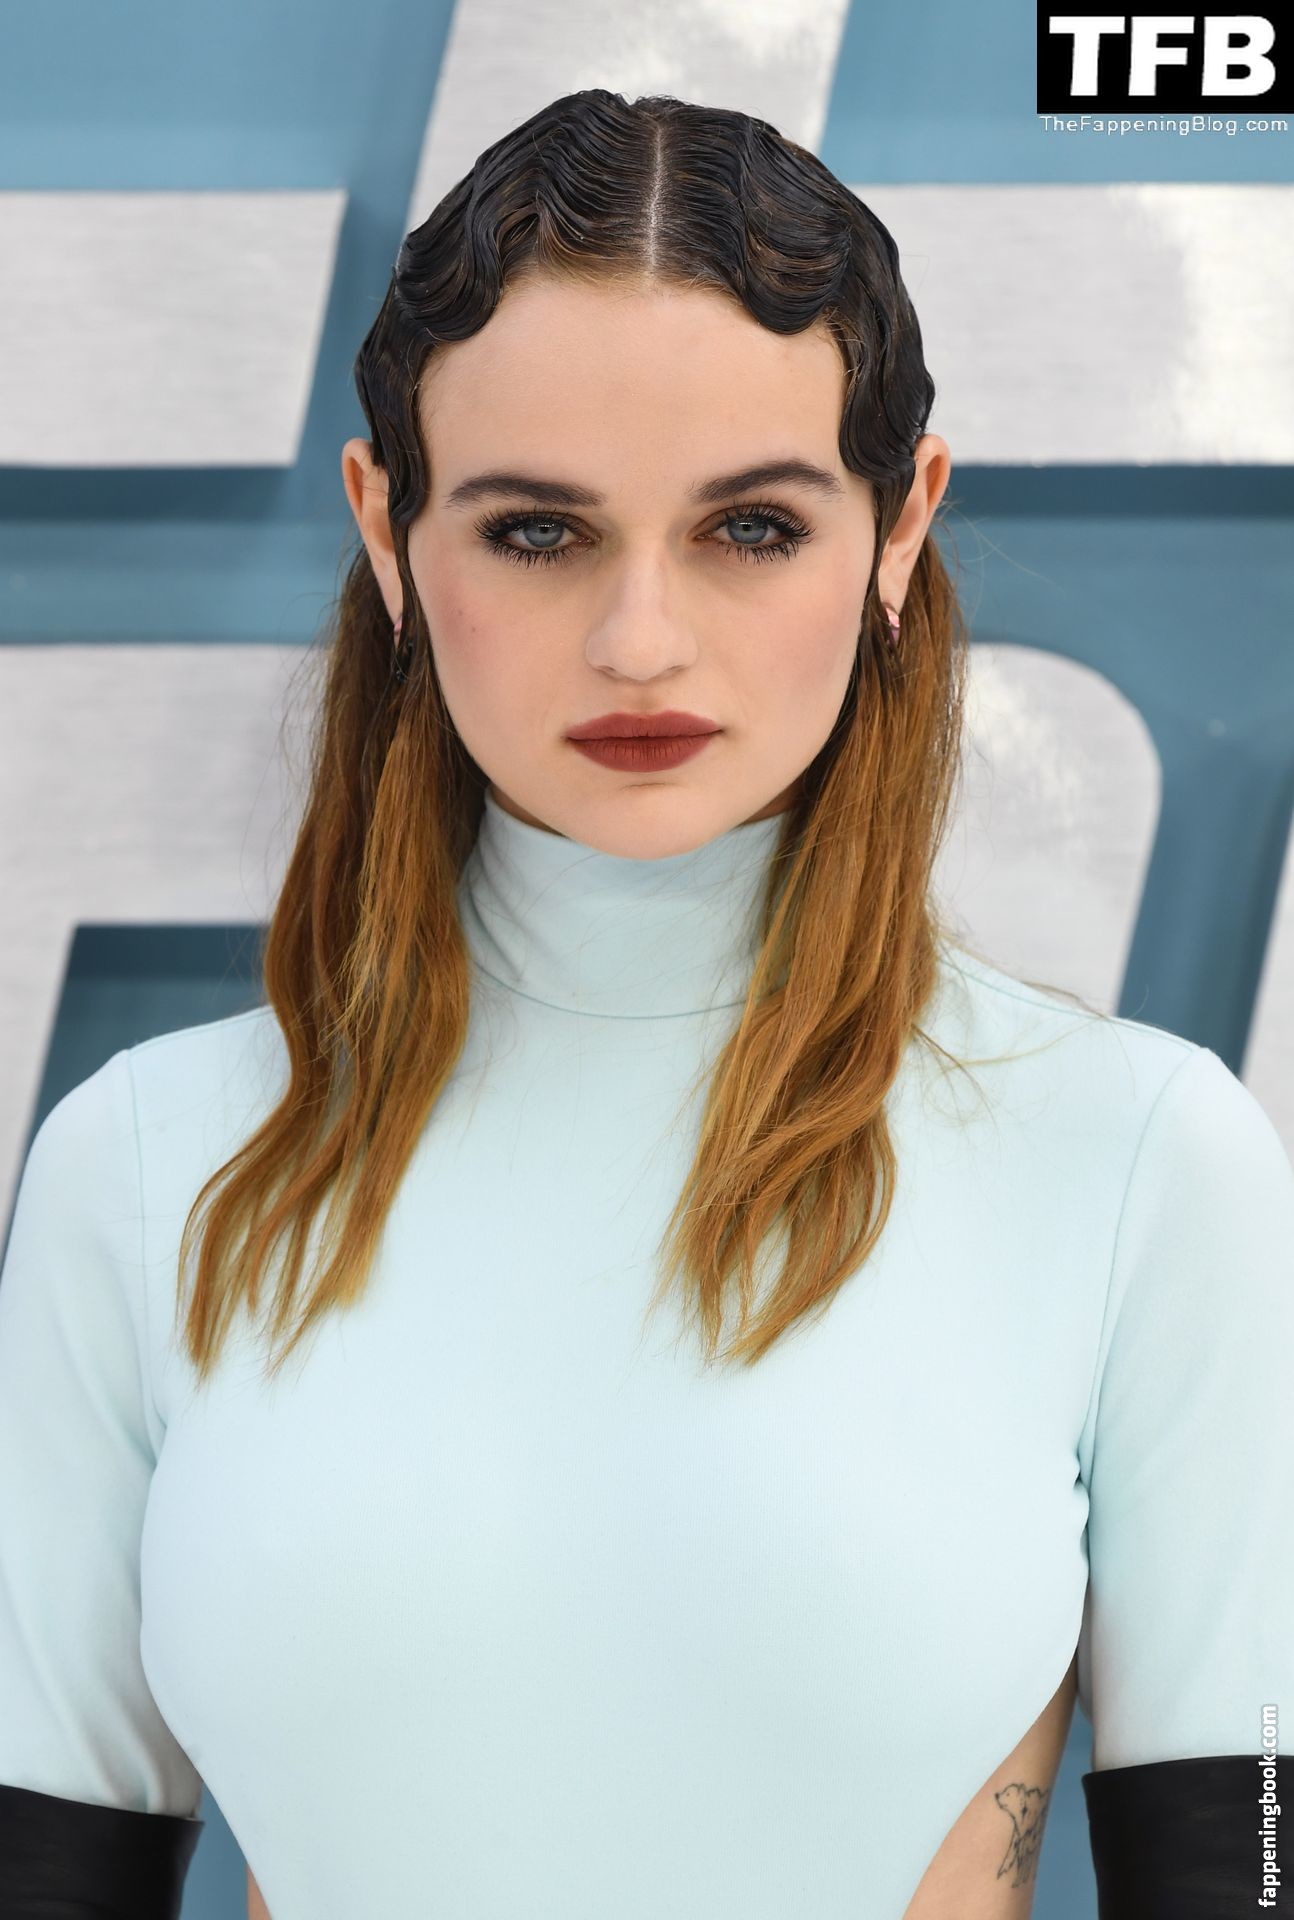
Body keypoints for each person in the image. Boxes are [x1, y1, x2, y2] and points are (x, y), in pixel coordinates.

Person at [0, 87, 1290, 1920]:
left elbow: (1240, 1866)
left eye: (748, 528)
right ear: (387, 529)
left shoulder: (1139, 1161)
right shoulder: (147, 1166)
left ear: (899, 525)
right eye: (538, 534)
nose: (639, 642)